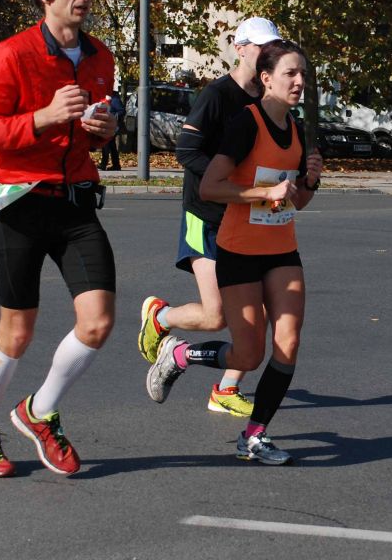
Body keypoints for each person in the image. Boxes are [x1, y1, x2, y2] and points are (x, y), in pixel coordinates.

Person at [0, 0, 118, 477]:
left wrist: (104, 133)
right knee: (17, 333)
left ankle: (39, 410)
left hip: (76, 204)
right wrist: (44, 118)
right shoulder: (11, 54)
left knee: (97, 323)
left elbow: (91, 135)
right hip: (22, 202)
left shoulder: (101, 56)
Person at [145, 39, 323, 465]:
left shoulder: (297, 129)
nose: (300, 82)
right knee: (248, 354)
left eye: (303, 75)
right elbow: (211, 187)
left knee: (289, 342)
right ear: (266, 79)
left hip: (282, 249)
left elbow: (296, 202)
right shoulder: (246, 123)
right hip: (238, 250)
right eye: (290, 74)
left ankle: (255, 435)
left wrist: (310, 182)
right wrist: (264, 191)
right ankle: (181, 353)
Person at [137, 17, 282, 418]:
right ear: (240, 48)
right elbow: (186, 152)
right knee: (217, 314)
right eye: (260, 46)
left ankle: (226, 388)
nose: (267, 52)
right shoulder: (217, 95)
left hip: (249, 217)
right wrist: (229, 181)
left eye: (273, 46)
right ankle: (160, 316)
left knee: (260, 315)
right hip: (208, 215)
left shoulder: (271, 99)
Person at [98, 95, 124, 170]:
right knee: (112, 146)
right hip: (106, 125)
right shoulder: (105, 98)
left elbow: (121, 111)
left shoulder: (114, 99)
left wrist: (112, 117)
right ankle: (116, 165)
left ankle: (103, 164)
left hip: (112, 126)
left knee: (106, 144)